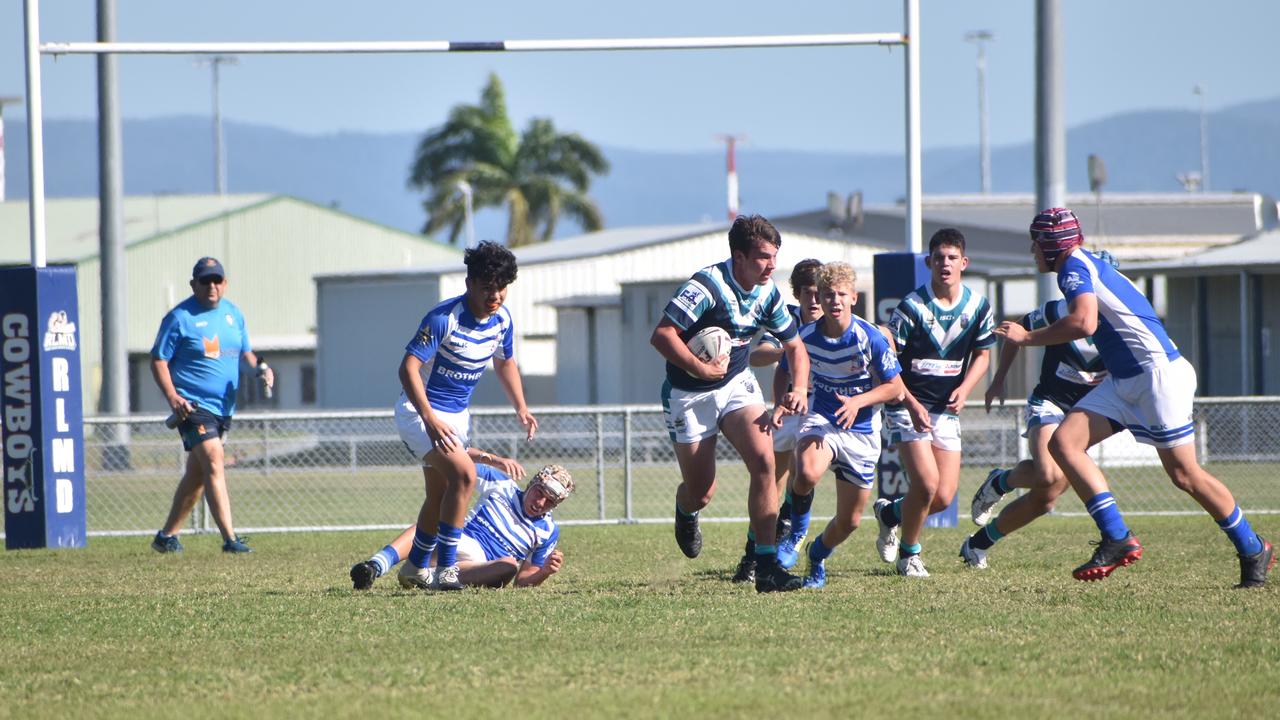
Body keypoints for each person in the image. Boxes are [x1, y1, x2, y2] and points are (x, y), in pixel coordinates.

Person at [996, 207, 1274, 587]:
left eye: (1036, 242)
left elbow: (1084, 322)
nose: (1032, 249)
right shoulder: (1080, 266)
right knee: (1065, 443)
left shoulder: (1073, 268)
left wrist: (1027, 339)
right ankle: (1116, 537)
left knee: (1184, 475)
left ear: (1051, 245)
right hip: (1126, 379)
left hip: (1156, 376)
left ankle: (1253, 547)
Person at [650, 214, 810, 593]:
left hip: (737, 385)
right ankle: (686, 509)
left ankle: (766, 564)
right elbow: (661, 336)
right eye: (762, 257)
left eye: (774, 256)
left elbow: (795, 347)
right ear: (738, 256)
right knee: (702, 490)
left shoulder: (768, 293)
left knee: (764, 461)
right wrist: (698, 368)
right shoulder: (706, 286)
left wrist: (799, 388)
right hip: (690, 395)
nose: (771, 265)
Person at [394, 241, 539, 592]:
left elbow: (505, 362)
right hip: (420, 411)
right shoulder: (444, 319)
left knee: (440, 493)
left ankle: (413, 568)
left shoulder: (502, 320)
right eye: (487, 287)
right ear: (469, 283)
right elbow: (408, 369)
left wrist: (521, 405)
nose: (495, 295)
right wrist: (429, 418)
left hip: (457, 417)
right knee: (464, 475)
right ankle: (445, 570)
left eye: (501, 288)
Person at [773, 262, 905, 588]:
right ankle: (796, 532)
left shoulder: (870, 337)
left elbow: (895, 388)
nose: (833, 301)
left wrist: (859, 401)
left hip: (860, 432)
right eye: (827, 294)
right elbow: (786, 368)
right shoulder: (804, 337)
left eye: (840, 294)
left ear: (853, 297)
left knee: (850, 521)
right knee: (806, 472)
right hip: (822, 420)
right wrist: (783, 402)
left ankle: (817, 555)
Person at [873, 228, 995, 577]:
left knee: (941, 498)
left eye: (952, 257)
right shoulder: (911, 307)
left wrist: (967, 387)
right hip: (908, 408)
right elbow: (889, 362)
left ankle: (890, 515)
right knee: (925, 485)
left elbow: (983, 355)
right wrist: (910, 402)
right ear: (929, 262)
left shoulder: (977, 307)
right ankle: (909, 555)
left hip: (946, 411)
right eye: (939, 257)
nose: (945, 263)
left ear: (964, 263)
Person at [962, 289, 1110, 569]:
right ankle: (1001, 482)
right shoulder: (1055, 311)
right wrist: (999, 378)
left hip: (1084, 415)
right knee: (1047, 473)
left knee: (1046, 498)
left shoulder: (1118, 323)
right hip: (1049, 404)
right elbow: (1017, 332)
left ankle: (978, 544)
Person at [149, 256, 274, 554]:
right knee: (215, 461)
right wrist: (173, 397)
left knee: (197, 475)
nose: (212, 286)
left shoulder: (234, 315)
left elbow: (245, 355)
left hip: (224, 409)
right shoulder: (179, 318)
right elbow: (158, 359)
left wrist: (261, 369)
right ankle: (230, 539)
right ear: (194, 284)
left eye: (217, 280)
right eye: (205, 281)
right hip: (192, 408)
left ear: (225, 283)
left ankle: (166, 537)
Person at [731, 258, 824, 584]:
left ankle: (791, 528)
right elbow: (758, 354)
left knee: (806, 474)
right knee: (771, 482)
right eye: (808, 293)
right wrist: (786, 349)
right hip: (787, 407)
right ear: (796, 294)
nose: (815, 300)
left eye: (820, 293)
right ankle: (752, 556)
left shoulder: (837, 320)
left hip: (823, 411)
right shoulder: (787, 318)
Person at [351, 455, 573, 590]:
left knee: (508, 567)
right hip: (459, 541)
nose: (540, 502)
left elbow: (522, 582)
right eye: (539, 492)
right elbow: (459, 466)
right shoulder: (502, 485)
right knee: (435, 521)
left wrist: (544, 572)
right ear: (533, 483)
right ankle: (375, 566)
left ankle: (428, 578)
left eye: (550, 501)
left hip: (479, 568)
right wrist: (492, 459)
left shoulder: (548, 531)